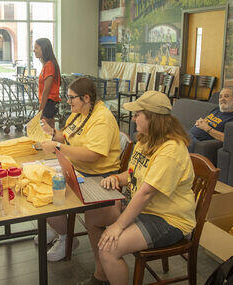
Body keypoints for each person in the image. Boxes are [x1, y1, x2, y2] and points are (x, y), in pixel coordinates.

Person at [77, 91, 196, 285]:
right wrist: (116, 177)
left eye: (137, 114)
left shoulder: (170, 149)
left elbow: (146, 193)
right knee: (93, 218)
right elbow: (133, 174)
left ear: (153, 118)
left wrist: (119, 225)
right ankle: (101, 277)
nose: (133, 118)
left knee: (108, 249)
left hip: (169, 219)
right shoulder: (145, 139)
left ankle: (106, 271)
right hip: (144, 208)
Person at [38, 77, 121, 262]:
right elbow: (66, 136)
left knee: (53, 194)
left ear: (86, 98)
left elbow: (93, 154)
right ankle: (58, 229)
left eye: (71, 98)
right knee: (43, 186)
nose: (68, 102)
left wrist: (58, 148)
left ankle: (66, 238)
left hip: (98, 176)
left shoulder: (102, 118)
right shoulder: (78, 112)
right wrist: (51, 133)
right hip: (76, 168)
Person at [188, 87, 233, 152]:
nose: (222, 99)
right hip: (189, 135)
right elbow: (206, 122)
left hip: (196, 142)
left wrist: (208, 129)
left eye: (226, 96)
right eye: (220, 97)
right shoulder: (217, 109)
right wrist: (200, 122)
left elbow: (229, 139)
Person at [34, 38, 61, 129]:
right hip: (49, 102)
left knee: (46, 131)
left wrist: (40, 110)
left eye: (36, 48)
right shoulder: (47, 64)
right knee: (50, 130)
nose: (34, 50)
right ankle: (54, 143)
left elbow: (46, 90)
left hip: (49, 102)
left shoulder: (49, 65)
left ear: (44, 49)